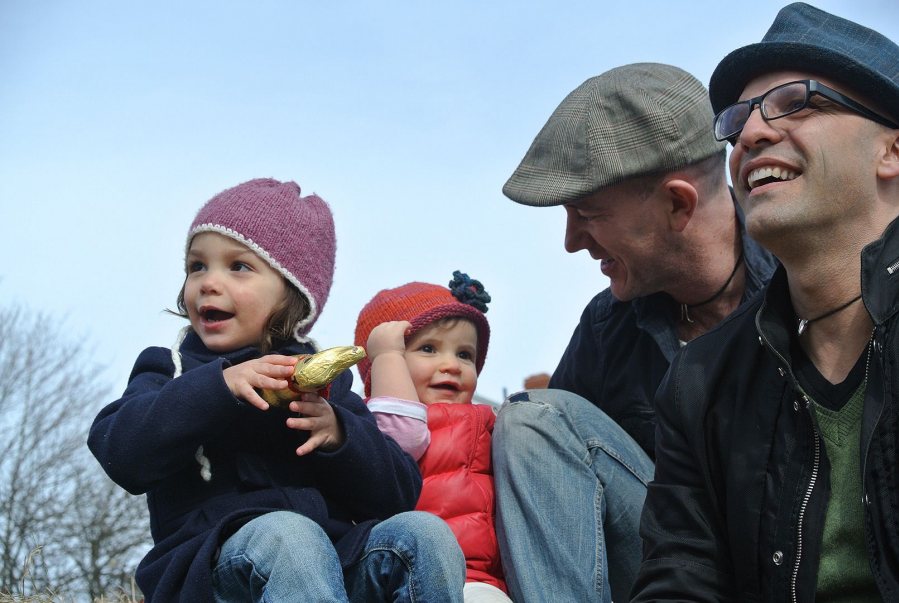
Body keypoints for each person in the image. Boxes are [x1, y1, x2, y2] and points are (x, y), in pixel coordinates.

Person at [631, 4, 899, 601]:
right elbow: (681, 575)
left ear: (893, 152)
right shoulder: (699, 380)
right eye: (738, 119)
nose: (749, 135)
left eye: (798, 102)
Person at [87, 178, 465, 603]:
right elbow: (120, 450)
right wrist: (218, 386)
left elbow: (398, 493)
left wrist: (339, 436)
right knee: (290, 534)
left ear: (292, 293)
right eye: (197, 266)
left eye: (238, 266)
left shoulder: (326, 383)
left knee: (424, 533)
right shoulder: (171, 368)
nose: (208, 282)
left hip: (335, 562)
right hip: (212, 565)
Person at [493, 62, 778, 602]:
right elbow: (548, 482)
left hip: (782, 565)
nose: (572, 240)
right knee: (533, 421)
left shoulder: (806, 284)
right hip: (668, 571)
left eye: (586, 212)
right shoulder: (608, 325)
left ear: (678, 203)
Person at [353, 271, 511, 603]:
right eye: (428, 348)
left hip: (477, 577)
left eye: (465, 354)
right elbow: (402, 440)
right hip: (399, 575)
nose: (451, 364)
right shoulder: (368, 422)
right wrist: (386, 357)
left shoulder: (488, 421)